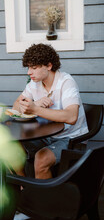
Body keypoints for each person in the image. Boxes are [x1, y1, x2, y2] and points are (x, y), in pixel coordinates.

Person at [13, 43, 88, 180]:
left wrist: (36, 109)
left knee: (42, 158)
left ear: (49, 66)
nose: (29, 72)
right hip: (45, 135)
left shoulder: (66, 82)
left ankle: (44, 199)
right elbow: (16, 106)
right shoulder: (33, 84)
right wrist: (35, 103)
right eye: (29, 67)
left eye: (34, 68)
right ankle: (24, 185)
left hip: (70, 138)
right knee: (10, 147)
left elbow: (71, 117)